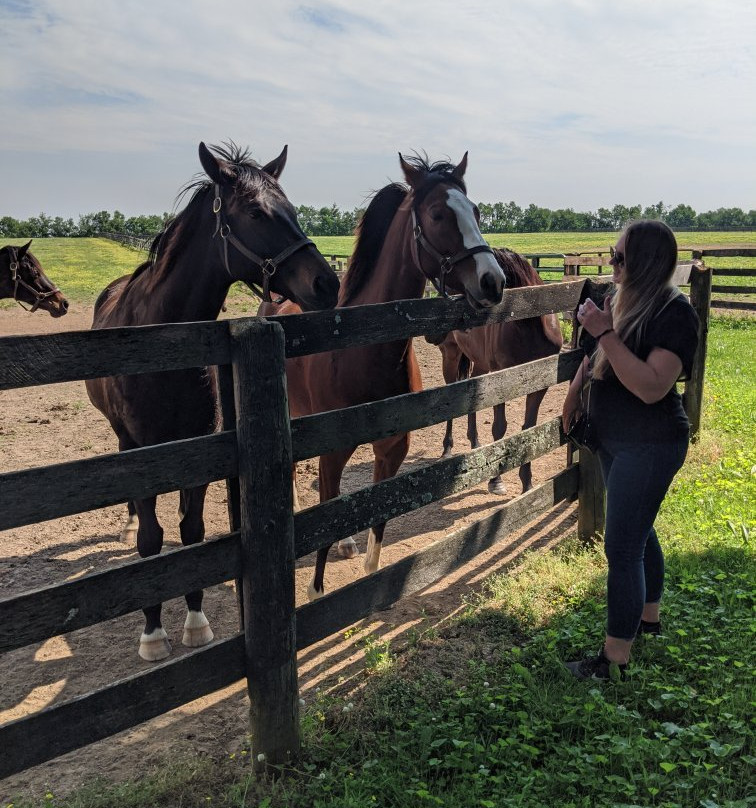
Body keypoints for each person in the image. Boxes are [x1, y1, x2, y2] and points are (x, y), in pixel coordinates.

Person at [561, 219, 700, 681]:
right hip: (615, 439)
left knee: (622, 549)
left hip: (652, 443)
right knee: (640, 531)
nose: (612, 264)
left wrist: (605, 332)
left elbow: (651, 387)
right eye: (611, 253)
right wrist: (574, 392)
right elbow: (592, 359)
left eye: (619, 257)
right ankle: (649, 618)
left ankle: (613, 661)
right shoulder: (620, 300)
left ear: (643, 262)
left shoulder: (674, 314)